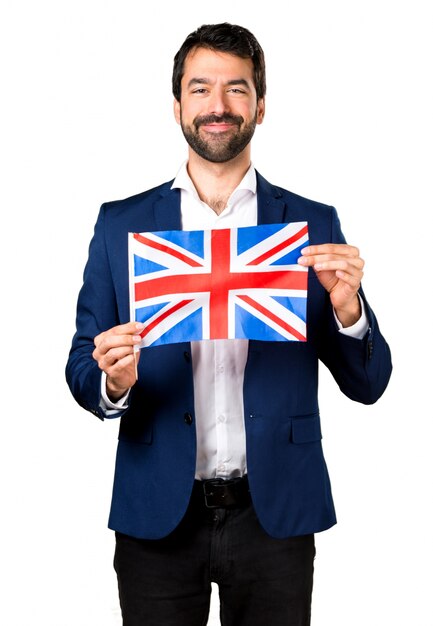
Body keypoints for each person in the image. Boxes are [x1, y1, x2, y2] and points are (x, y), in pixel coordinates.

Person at [66, 22, 392, 626]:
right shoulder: (121, 225)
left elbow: (369, 384)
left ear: (261, 106)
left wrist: (349, 312)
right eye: (200, 89)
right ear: (177, 106)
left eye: (237, 89)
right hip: (158, 513)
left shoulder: (312, 224)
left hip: (274, 512)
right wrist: (113, 380)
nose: (218, 106)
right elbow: (81, 366)